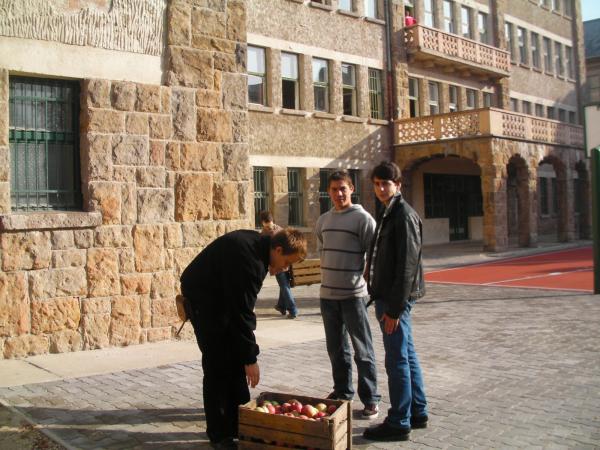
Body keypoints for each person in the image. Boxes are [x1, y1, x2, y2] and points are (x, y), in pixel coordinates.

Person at [180, 228, 307, 448]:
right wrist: (250, 358)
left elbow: (239, 310)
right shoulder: (251, 262)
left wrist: (245, 356)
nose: (285, 269)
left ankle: (239, 425)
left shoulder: (259, 249)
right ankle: (220, 434)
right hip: (204, 301)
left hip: (221, 300)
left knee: (234, 359)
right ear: (278, 250)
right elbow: (242, 313)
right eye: (286, 263)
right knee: (218, 364)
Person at [363, 161, 428, 442]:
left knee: (396, 359)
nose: (380, 188)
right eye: (377, 184)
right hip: (388, 295)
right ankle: (417, 411)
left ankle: (399, 421)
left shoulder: (403, 215)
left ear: (398, 185)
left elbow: (407, 266)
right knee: (407, 355)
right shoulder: (389, 211)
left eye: (385, 183)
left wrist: (395, 309)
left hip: (394, 300)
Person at [315, 170, 381, 419]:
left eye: (343, 188)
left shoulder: (363, 219)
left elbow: (373, 256)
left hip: (353, 296)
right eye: (334, 189)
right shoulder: (323, 221)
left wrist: (366, 284)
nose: (339, 194)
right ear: (328, 192)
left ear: (352, 189)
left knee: (362, 350)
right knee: (336, 349)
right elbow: (323, 250)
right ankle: (343, 392)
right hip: (328, 296)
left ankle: (371, 399)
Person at [259, 211, 298, 319]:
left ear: (263, 222)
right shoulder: (281, 230)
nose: (268, 227)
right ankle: (281, 306)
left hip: (277, 264)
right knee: (284, 285)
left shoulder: (264, 234)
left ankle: (293, 309)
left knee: (284, 286)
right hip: (285, 262)